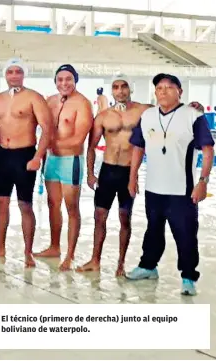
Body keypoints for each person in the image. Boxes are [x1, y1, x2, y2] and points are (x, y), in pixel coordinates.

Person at [126, 73, 214, 296]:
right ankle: (148, 266)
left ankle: (188, 277)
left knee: (185, 233)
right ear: (155, 92)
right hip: (153, 188)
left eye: (169, 87)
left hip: (181, 190)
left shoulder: (192, 115)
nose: (163, 91)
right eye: (159, 88)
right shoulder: (147, 116)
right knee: (152, 230)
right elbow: (138, 147)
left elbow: (208, 149)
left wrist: (202, 181)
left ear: (179, 92)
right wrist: (132, 176)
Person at [0, 58, 53, 268]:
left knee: (25, 205)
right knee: (0, 203)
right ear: (5, 75)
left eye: (18, 71)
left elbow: (47, 129)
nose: (14, 75)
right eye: (10, 72)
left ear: (23, 74)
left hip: (25, 156)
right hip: (3, 156)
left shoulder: (34, 97)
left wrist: (38, 156)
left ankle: (28, 252)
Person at [77, 73, 146, 276]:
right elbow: (90, 147)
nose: (120, 90)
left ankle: (121, 264)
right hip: (107, 171)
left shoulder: (142, 111)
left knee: (125, 218)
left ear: (130, 88)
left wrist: (193, 106)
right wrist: (90, 173)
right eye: (115, 87)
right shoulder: (104, 116)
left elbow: (169, 111)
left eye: (124, 86)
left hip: (127, 171)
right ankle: (95, 260)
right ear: (111, 90)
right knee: (100, 216)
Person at [36, 64, 94, 271]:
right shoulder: (50, 101)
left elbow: (79, 139)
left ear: (75, 80)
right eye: (60, 79)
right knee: (53, 204)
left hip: (71, 161)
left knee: (71, 208)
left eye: (68, 79)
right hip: (52, 160)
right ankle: (54, 246)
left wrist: (44, 148)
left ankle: (70, 255)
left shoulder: (83, 104)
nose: (64, 83)